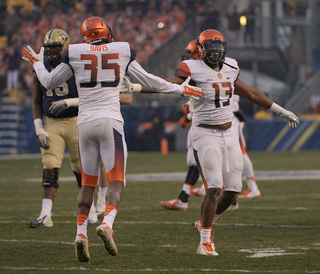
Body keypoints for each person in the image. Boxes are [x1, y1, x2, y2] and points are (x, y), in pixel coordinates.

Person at [22, 16, 202, 262]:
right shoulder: (122, 50)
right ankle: (107, 224)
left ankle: (81, 234)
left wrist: (36, 61)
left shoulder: (74, 52)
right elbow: (150, 81)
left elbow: (48, 81)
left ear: (85, 35)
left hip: (84, 123)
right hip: (110, 122)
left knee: (87, 183)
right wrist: (181, 89)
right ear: (106, 32)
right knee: (117, 180)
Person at [160, 29, 299, 256]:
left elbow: (251, 92)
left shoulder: (231, 67)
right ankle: (205, 240)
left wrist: (280, 110)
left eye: (219, 49)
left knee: (233, 191)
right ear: (201, 50)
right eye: (211, 49)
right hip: (205, 133)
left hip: (230, 131)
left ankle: (205, 221)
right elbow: (167, 85)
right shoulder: (191, 68)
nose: (215, 54)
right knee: (214, 188)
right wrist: (138, 86)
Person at [27, 29, 90, 228]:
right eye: (48, 47)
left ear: (64, 47)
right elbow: (37, 100)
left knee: (81, 168)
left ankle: (90, 211)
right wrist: (38, 127)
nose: (50, 51)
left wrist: (70, 102)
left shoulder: (76, 65)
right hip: (51, 122)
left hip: (75, 120)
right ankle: (46, 215)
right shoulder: (41, 65)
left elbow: (89, 96)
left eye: (54, 47)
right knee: (50, 166)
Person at [160, 40, 201, 210]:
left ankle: (227, 197)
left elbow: (208, 100)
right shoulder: (201, 71)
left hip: (209, 124)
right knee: (196, 162)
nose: (187, 57)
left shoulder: (203, 72)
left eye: (190, 53)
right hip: (202, 121)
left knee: (204, 161)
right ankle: (184, 197)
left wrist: (190, 115)